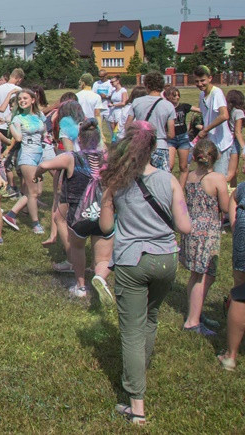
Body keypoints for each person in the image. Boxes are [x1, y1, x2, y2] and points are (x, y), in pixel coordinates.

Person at [98, 121, 192, 425]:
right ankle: (141, 366)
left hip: (132, 262)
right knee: (150, 318)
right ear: (153, 148)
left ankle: (136, 408)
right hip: (166, 260)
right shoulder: (169, 180)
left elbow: (105, 228)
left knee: (131, 331)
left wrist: (106, 200)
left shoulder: (118, 184)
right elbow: (185, 226)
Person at [36, 120, 111, 300]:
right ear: (99, 139)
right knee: (102, 256)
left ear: (80, 140)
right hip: (104, 213)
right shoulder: (108, 157)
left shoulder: (72, 157)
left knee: (78, 248)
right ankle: (99, 276)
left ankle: (81, 286)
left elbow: (45, 165)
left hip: (79, 214)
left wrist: (38, 174)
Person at [180, 139, 231, 336]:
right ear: (215, 157)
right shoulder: (217, 178)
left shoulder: (191, 176)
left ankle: (196, 311)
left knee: (201, 275)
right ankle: (192, 322)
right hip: (207, 232)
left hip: (191, 228)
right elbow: (225, 208)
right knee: (201, 276)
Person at [2, 90, 47, 234]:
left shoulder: (39, 116)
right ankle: (36, 224)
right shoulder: (17, 119)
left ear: (33, 100)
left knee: (38, 191)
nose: (22, 101)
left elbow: (44, 132)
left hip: (40, 154)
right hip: (27, 155)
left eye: (25, 98)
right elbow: (18, 138)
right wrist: (10, 123)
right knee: (33, 192)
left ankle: (11, 214)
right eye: (20, 99)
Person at [125, 72, 176, 171]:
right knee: (161, 179)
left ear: (146, 85)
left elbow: (128, 126)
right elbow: (171, 134)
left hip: (141, 145)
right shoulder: (168, 105)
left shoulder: (137, 102)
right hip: (160, 145)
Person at [195, 66, 233, 177]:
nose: (200, 84)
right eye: (197, 81)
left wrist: (206, 129)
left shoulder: (217, 93)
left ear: (210, 78)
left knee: (220, 177)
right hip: (210, 142)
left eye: (203, 80)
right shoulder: (202, 94)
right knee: (207, 176)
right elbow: (205, 115)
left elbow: (224, 115)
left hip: (221, 143)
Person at [164, 85, 195, 176]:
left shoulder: (184, 106)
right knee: (169, 166)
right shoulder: (165, 108)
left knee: (183, 167)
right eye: (174, 95)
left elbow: (199, 110)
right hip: (170, 138)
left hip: (183, 138)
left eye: (178, 95)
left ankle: (181, 189)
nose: (177, 97)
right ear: (168, 97)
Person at [226, 89, 245, 187]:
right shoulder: (239, 112)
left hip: (226, 141)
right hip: (234, 142)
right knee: (231, 172)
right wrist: (244, 148)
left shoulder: (229, 111)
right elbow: (237, 132)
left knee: (234, 171)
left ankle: (233, 190)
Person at [93, 71, 115, 139]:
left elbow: (114, 95)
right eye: (99, 76)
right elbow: (93, 94)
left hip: (108, 108)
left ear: (106, 75)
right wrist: (99, 96)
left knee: (111, 126)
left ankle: (113, 141)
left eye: (102, 76)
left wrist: (106, 97)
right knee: (97, 127)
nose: (101, 78)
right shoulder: (96, 83)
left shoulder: (110, 83)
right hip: (98, 108)